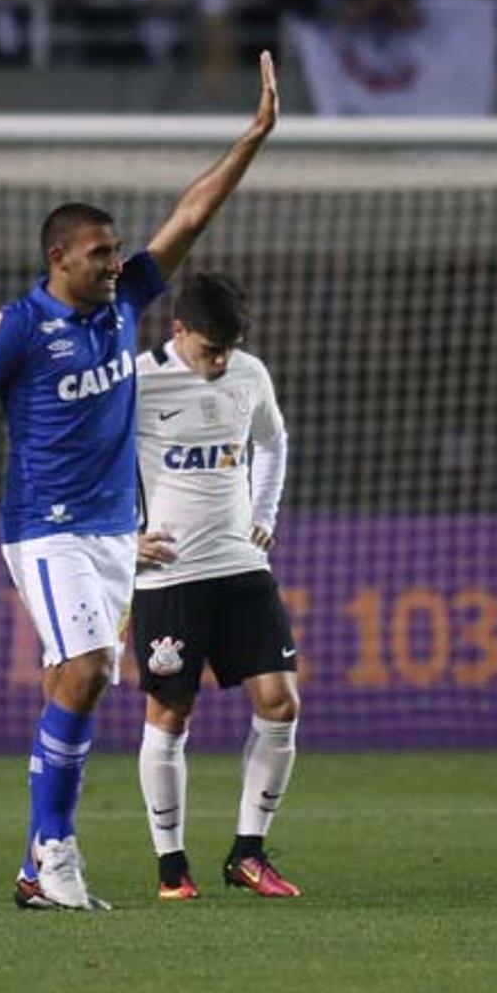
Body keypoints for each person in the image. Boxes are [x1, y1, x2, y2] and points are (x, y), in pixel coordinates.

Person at [0, 52, 280, 913]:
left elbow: (191, 215)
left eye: (119, 251)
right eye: (102, 252)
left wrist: (252, 138)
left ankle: (37, 865)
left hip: (116, 531)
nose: (119, 263)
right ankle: (59, 855)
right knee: (88, 672)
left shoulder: (119, 306)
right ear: (59, 255)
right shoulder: (16, 327)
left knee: (72, 681)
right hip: (45, 524)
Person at [130, 272, 298, 902]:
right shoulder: (138, 381)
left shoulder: (249, 374)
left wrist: (263, 516)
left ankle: (248, 853)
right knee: (171, 713)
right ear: (178, 332)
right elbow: (87, 463)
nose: (221, 360)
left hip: (241, 567)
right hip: (169, 574)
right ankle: (172, 868)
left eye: (230, 347)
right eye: (210, 349)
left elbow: (273, 444)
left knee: (281, 703)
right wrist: (124, 538)